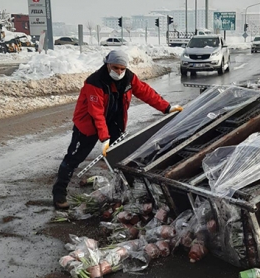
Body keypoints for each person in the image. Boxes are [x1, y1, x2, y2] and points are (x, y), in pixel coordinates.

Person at [52, 50, 183, 209]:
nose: (119, 72)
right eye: (115, 68)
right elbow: (96, 113)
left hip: (114, 122)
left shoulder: (129, 78)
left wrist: (167, 108)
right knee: (74, 158)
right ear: (107, 64)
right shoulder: (95, 82)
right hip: (87, 125)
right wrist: (104, 137)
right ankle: (59, 193)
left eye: (122, 68)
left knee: (121, 157)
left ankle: (124, 190)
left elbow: (146, 92)